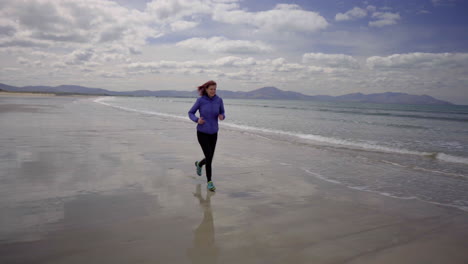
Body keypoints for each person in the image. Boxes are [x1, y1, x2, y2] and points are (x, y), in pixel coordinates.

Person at [188, 80, 225, 191]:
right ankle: (209, 181)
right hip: (202, 132)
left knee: (210, 157)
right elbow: (190, 112)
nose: (213, 91)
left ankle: (199, 164)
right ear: (206, 89)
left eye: (214, 89)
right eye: (211, 89)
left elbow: (223, 112)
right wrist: (196, 120)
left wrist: (222, 116)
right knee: (209, 157)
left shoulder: (219, 100)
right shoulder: (200, 100)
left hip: (214, 132)